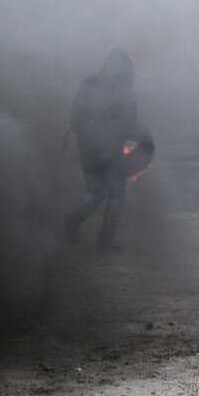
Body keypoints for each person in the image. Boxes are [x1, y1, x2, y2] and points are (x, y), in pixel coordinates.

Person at [64, 48, 138, 254]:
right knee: (116, 196)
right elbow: (129, 123)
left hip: (88, 149)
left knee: (95, 193)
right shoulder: (125, 90)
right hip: (112, 150)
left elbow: (75, 118)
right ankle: (104, 244)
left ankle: (73, 219)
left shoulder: (90, 83)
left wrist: (85, 135)